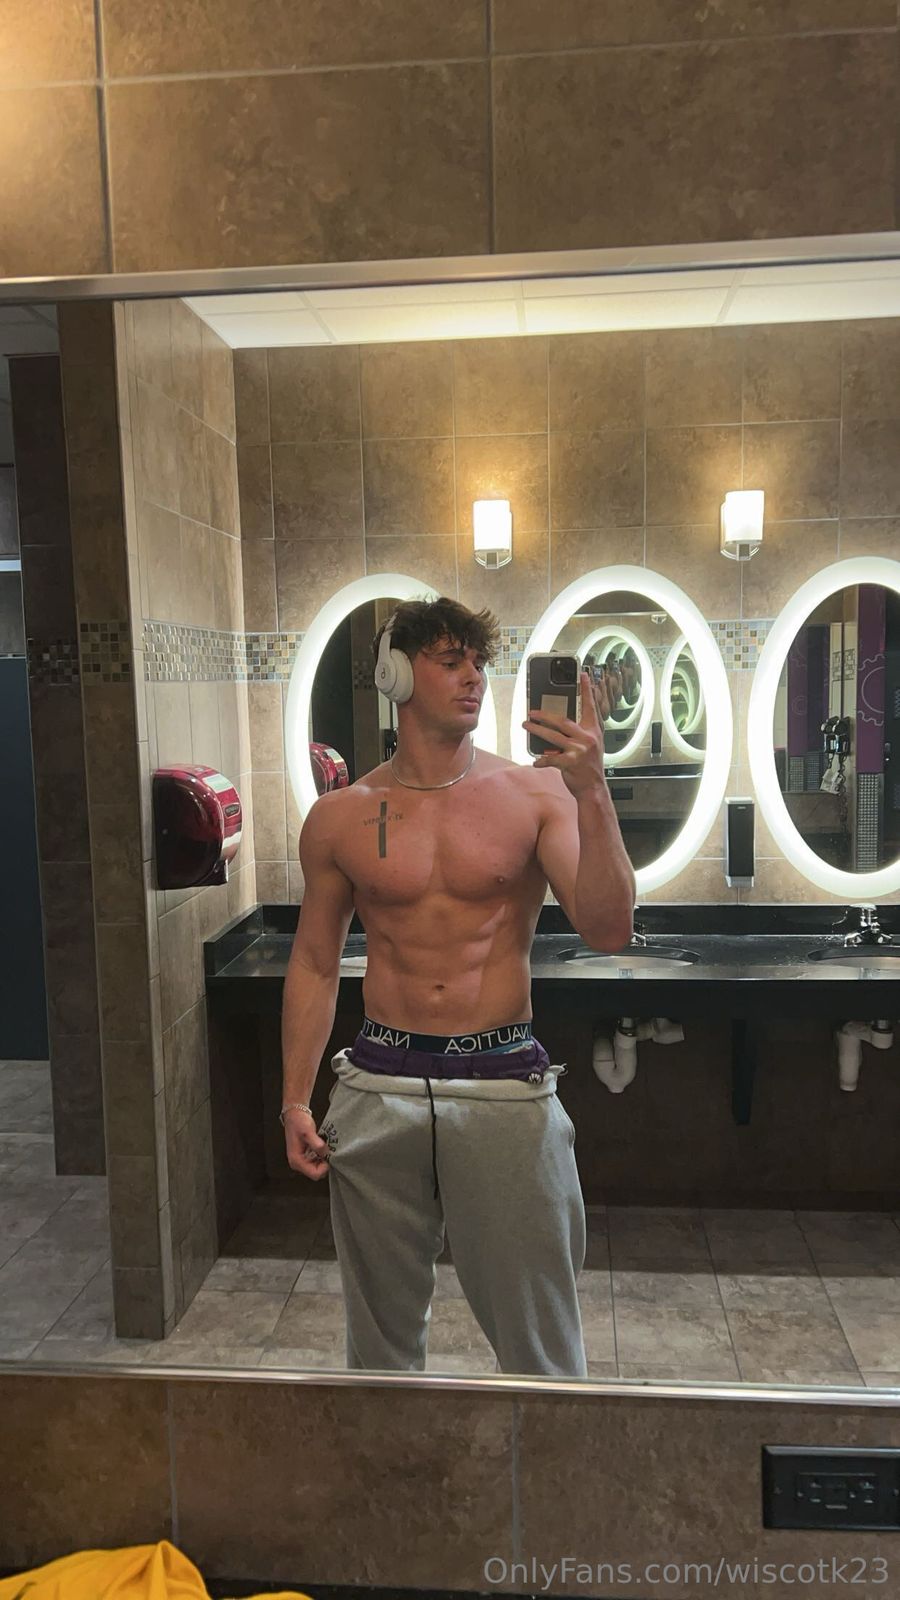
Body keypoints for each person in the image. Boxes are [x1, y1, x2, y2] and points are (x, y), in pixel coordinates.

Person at [280, 597, 635, 1376]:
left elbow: (609, 929)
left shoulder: (536, 794)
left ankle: (549, 1457)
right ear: (396, 676)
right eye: (450, 661)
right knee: (379, 1353)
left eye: (479, 663)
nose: (474, 677)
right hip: (378, 1084)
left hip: (502, 1084)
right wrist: (296, 1100)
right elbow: (313, 962)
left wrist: (593, 792)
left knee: (542, 1348)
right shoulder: (341, 817)